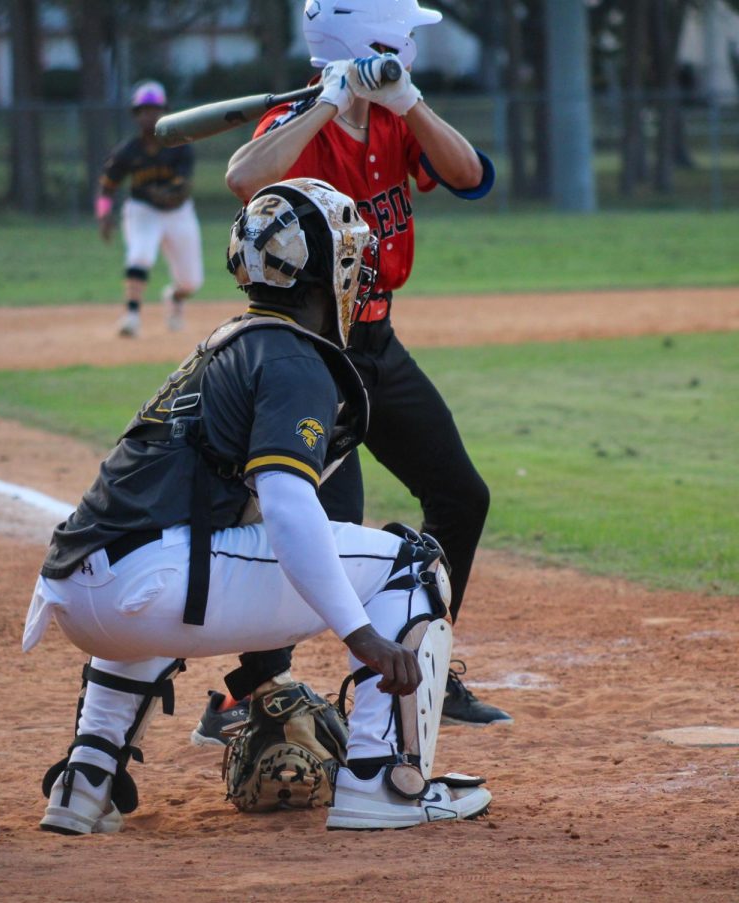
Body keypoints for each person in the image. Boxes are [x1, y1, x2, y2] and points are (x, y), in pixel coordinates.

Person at [24, 178, 491, 834]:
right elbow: (288, 501)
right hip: (154, 583)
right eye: (348, 257)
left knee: (159, 563)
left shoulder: (223, 343)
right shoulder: (295, 356)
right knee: (411, 565)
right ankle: (381, 780)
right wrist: (361, 634)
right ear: (323, 272)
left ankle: (86, 776)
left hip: (80, 592)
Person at [195, 0, 509, 738]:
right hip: (312, 355)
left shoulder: (399, 120)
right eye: (406, 36)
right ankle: (249, 694)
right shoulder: (300, 123)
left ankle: (426, 664)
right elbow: (244, 178)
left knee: (461, 495)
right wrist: (329, 101)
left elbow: (472, 177)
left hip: (377, 344)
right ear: (373, 38)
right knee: (326, 526)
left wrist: (408, 99)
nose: (414, 46)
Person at [96, 79, 204, 338]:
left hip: (179, 213)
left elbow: (183, 184)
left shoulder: (180, 147)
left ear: (164, 112)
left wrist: (170, 193)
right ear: (137, 115)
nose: (150, 115)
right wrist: (103, 214)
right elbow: (107, 185)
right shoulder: (128, 151)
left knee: (191, 282)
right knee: (140, 256)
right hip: (142, 210)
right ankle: (132, 317)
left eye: (155, 110)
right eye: (144, 110)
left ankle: (175, 297)